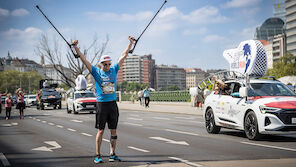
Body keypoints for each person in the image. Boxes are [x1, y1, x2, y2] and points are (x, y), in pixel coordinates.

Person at [72, 36, 134, 164]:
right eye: (105, 64)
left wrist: (130, 44)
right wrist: (75, 47)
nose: (107, 66)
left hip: (112, 104)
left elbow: (123, 55)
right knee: (100, 130)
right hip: (101, 104)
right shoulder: (96, 72)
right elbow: (84, 60)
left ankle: (112, 153)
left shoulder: (114, 70)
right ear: (101, 64)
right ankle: (98, 155)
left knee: (114, 130)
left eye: (109, 63)